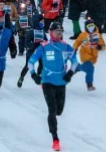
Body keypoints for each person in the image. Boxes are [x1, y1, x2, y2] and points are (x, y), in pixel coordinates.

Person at [27, 21, 79, 151]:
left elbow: (75, 62)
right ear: (51, 32)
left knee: (59, 111)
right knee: (52, 110)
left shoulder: (66, 47)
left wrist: (70, 73)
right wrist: (34, 75)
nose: (59, 34)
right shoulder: (44, 47)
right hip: (47, 81)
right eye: (57, 31)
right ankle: (55, 138)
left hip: (61, 82)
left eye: (61, 32)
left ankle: (54, 129)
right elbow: (31, 62)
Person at [72, 19, 106, 91]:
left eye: (92, 26)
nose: (91, 27)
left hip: (93, 57)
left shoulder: (98, 35)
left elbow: (103, 46)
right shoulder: (83, 35)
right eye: (89, 26)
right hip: (84, 55)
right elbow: (77, 42)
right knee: (90, 69)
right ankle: (89, 84)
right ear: (86, 27)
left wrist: (99, 47)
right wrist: (74, 49)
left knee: (87, 69)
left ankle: (77, 67)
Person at [17, 13, 47, 88]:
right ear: (37, 22)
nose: (43, 23)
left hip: (40, 51)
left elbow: (46, 41)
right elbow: (26, 43)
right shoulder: (31, 32)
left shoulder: (42, 31)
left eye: (43, 22)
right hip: (32, 51)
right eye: (41, 22)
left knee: (42, 64)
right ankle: (21, 77)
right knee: (28, 66)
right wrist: (33, 44)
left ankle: (39, 76)